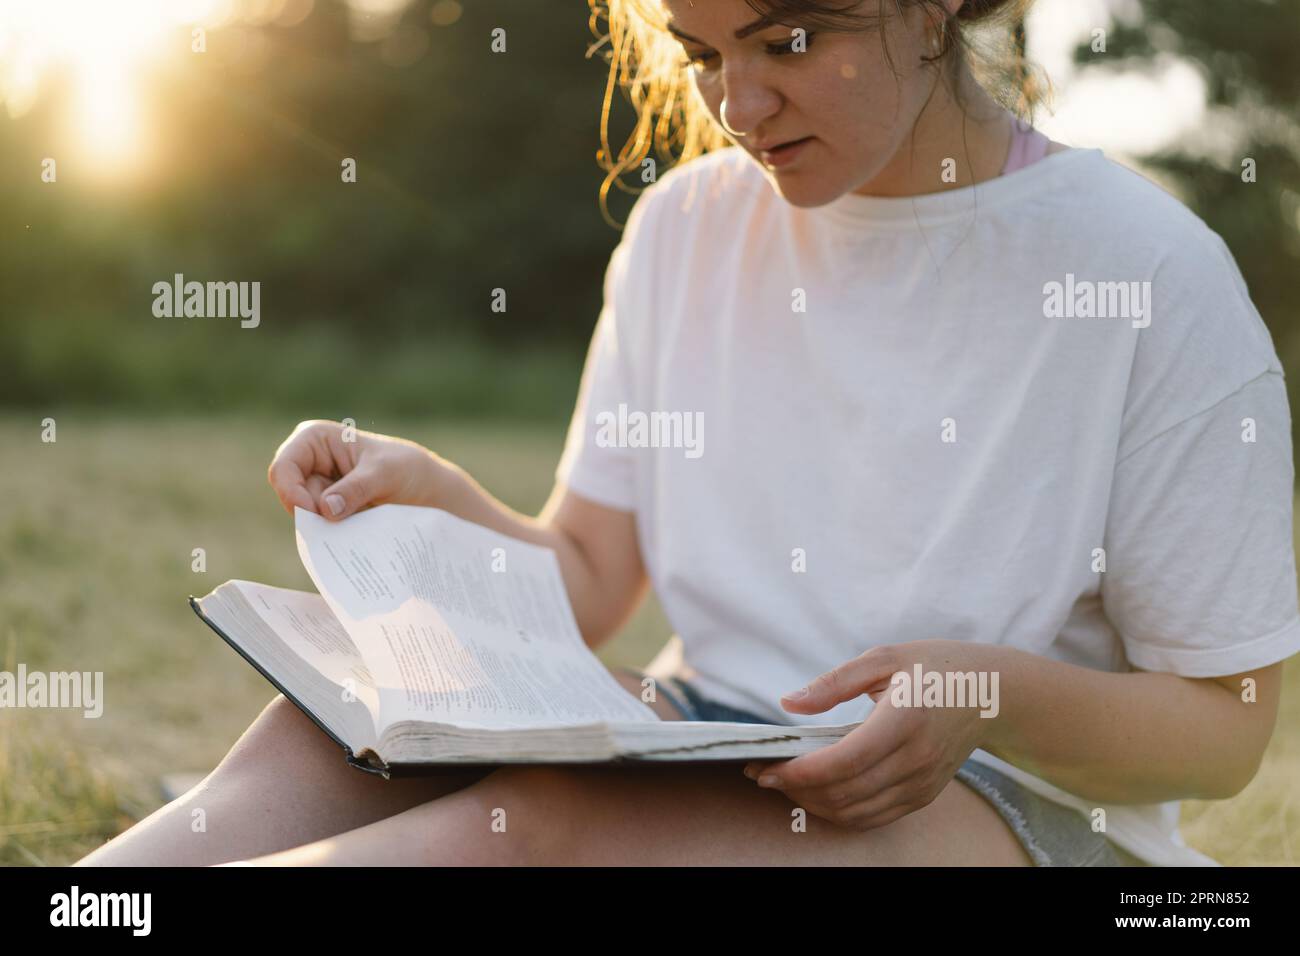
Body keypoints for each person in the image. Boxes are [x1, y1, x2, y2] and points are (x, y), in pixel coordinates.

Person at [78, 0, 1298, 867]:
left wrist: (978, 694)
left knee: (545, 834)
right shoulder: (685, 226)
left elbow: (1227, 725)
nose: (737, 105)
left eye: (790, 39)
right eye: (700, 50)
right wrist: (436, 495)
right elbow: (591, 578)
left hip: (1014, 810)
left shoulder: (1147, 274)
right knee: (318, 741)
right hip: (700, 732)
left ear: (933, 12)